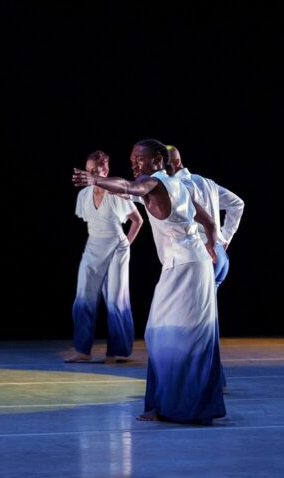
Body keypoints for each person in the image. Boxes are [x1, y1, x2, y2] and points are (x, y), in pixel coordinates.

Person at [73, 139, 225, 424]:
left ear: (157, 159)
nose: (134, 163)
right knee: (162, 335)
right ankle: (164, 405)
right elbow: (208, 221)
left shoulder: (153, 182)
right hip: (187, 265)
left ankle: (183, 408)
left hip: (187, 267)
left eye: (139, 158)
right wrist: (211, 243)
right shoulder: (177, 184)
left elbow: (131, 188)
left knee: (176, 337)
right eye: (132, 159)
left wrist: (96, 179)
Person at [65, 150, 143, 363]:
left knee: (116, 298)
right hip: (93, 247)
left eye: (95, 171)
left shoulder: (116, 193)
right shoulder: (83, 195)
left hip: (116, 247)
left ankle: (117, 351)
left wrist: (126, 243)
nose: (90, 174)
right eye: (88, 170)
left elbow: (138, 221)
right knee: (83, 297)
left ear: (105, 171)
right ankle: (83, 350)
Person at [166, 145, 244, 288]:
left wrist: (125, 192)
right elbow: (237, 204)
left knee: (188, 308)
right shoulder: (208, 183)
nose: (159, 170)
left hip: (202, 254)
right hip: (221, 257)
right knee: (209, 310)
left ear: (176, 162)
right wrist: (225, 237)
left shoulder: (175, 185)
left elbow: (148, 196)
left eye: (162, 164)